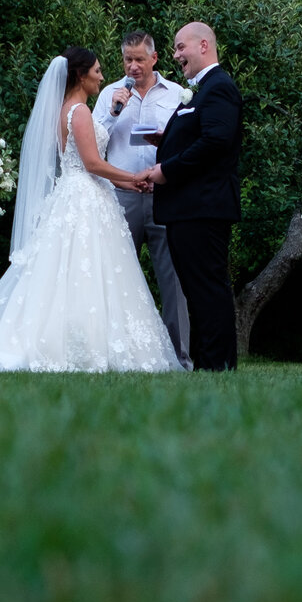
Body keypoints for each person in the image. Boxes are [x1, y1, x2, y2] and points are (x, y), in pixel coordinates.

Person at [0, 46, 179, 372]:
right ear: (81, 75)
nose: (102, 77)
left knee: (70, 272)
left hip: (82, 191)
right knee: (87, 270)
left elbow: (87, 165)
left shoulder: (67, 109)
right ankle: (81, 345)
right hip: (83, 196)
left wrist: (128, 183)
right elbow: (93, 164)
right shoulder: (78, 111)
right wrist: (132, 175)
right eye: (96, 71)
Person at [146, 20, 244, 371]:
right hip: (189, 208)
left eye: (180, 47)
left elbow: (216, 141)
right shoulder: (203, 90)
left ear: (203, 45)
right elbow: (202, 134)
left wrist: (166, 170)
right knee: (196, 291)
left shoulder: (218, 87)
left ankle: (217, 366)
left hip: (203, 208)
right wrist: (168, 139)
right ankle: (207, 365)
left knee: (208, 290)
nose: (176, 56)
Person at [92, 30, 192, 366]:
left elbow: (189, 141)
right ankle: (118, 356)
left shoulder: (177, 94)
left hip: (165, 193)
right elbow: (92, 141)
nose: (133, 66)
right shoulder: (110, 94)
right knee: (117, 277)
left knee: (174, 280)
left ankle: (180, 358)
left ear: (154, 58)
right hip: (122, 196)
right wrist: (113, 111)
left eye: (139, 59)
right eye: (127, 59)